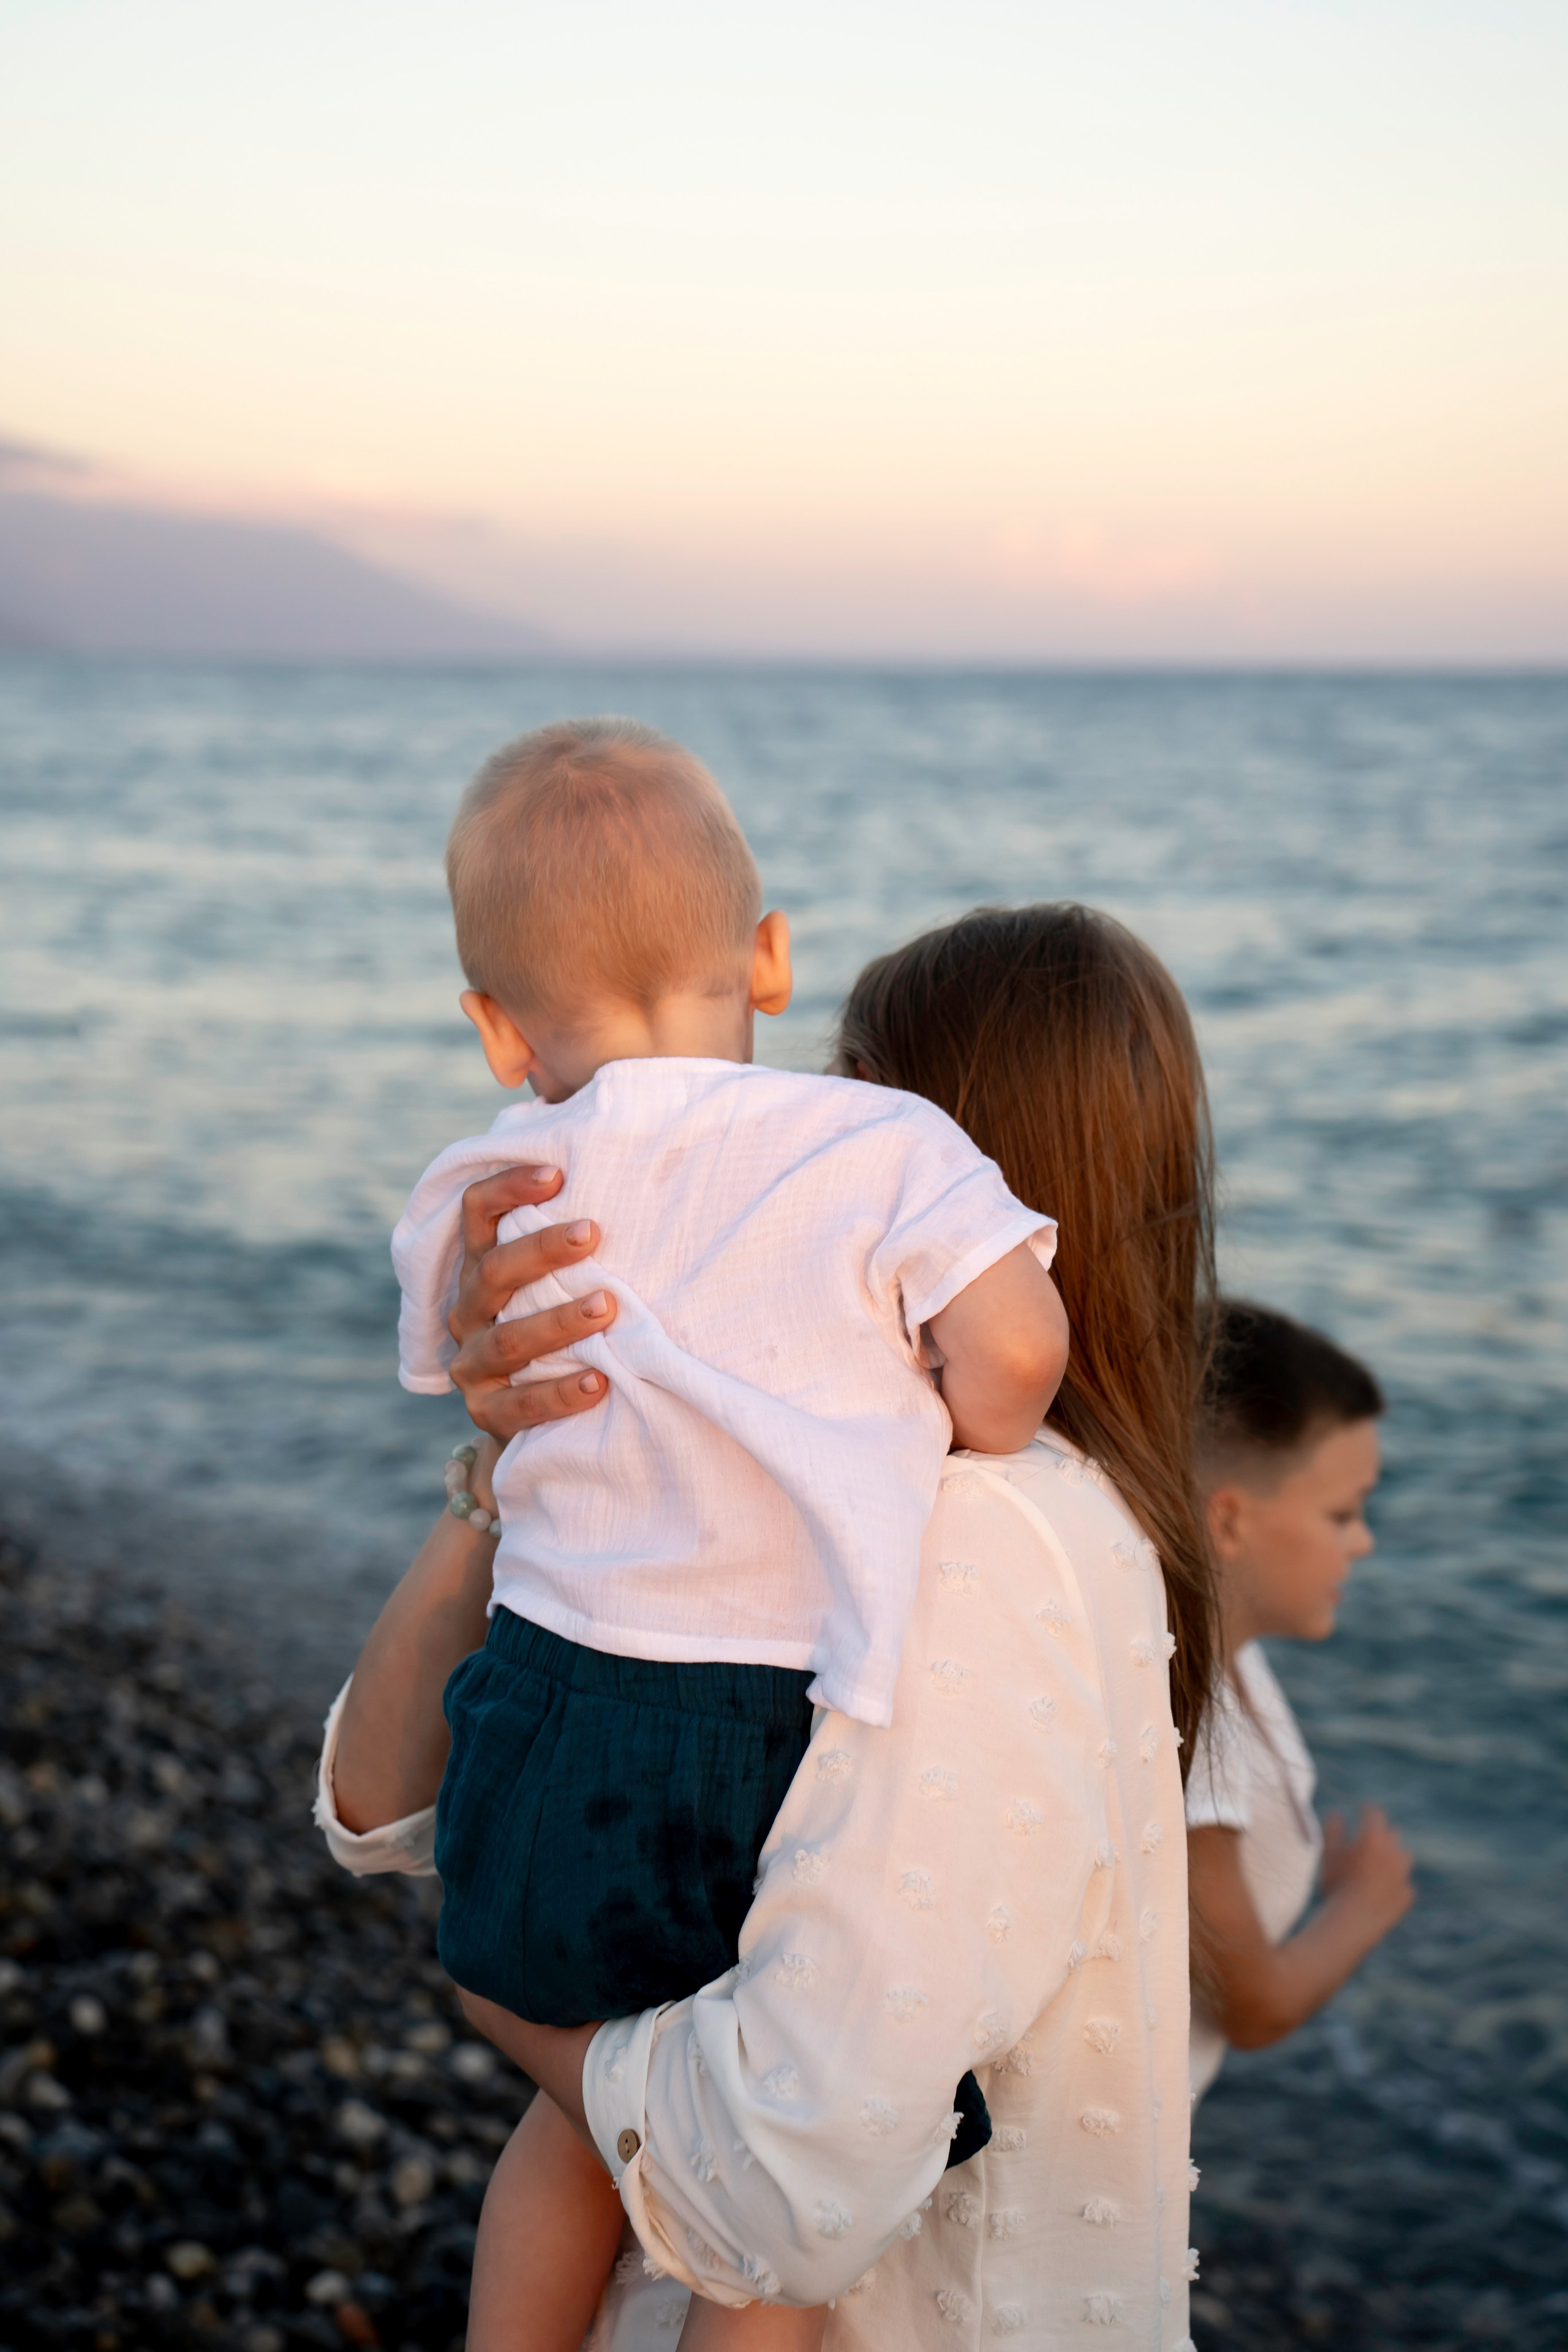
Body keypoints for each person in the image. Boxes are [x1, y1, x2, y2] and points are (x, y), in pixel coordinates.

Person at [318, 902, 1217, 2350]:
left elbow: (790, 2184)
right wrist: (506, 1465)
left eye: (843, 1109)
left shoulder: (978, 1531)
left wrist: (520, 2019)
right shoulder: (983, 1506)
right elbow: (372, 1801)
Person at [389, 721, 1069, 2350]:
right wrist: (962, 1423)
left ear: (496, 1028)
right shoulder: (884, 1143)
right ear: (769, 959)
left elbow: (460, 1367)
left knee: (586, 2103)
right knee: (766, 2205)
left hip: (549, 1708)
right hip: (780, 1735)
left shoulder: (483, 1172)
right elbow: (1022, 1355)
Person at [1186, 1300, 1415, 2102]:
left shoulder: (1232, 1661)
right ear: (1231, 1520)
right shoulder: (1193, 1732)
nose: (1364, 1542)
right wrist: (1364, 1903)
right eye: (1342, 1514)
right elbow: (1255, 2008)